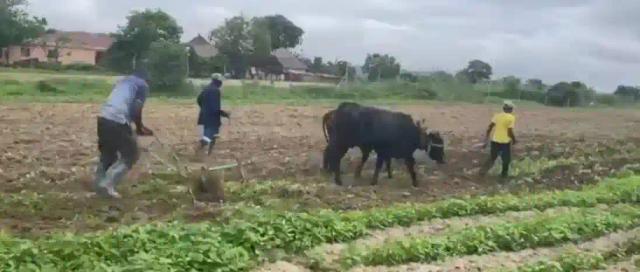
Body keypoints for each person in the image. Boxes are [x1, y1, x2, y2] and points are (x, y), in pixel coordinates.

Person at [95, 69, 154, 198]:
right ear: (147, 80)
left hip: (103, 118)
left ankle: (98, 184)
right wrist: (139, 128)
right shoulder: (142, 85)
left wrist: (139, 127)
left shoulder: (123, 81)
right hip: (118, 119)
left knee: (108, 153)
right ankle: (107, 184)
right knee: (131, 154)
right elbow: (135, 110)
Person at [479, 100, 517, 178]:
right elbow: (510, 131)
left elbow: (490, 127)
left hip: (495, 140)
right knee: (506, 160)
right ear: (510, 109)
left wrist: (486, 138)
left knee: (492, 157)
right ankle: (504, 176)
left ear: (503, 108)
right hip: (505, 142)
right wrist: (514, 140)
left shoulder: (497, 115)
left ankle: (482, 172)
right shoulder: (511, 117)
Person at [196, 73, 230, 155]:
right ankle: (198, 152)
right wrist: (223, 113)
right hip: (212, 118)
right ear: (218, 81)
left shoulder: (206, 88)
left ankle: (208, 154)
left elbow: (198, 99)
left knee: (213, 135)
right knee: (209, 137)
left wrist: (204, 108)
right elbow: (215, 106)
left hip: (204, 115)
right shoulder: (215, 91)